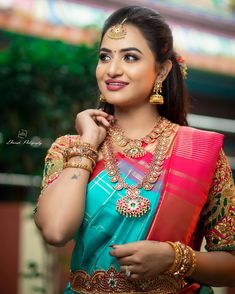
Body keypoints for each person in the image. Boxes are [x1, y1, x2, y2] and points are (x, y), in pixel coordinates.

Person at [34, 5, 235, 294]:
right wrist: (88, 144)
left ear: (162, 70)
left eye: (130, 57)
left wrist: (176, 258)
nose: (112, 69)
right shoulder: (69, 148)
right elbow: (55, 231)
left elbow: (230, 266)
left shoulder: (200, 152)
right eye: (105, 57)